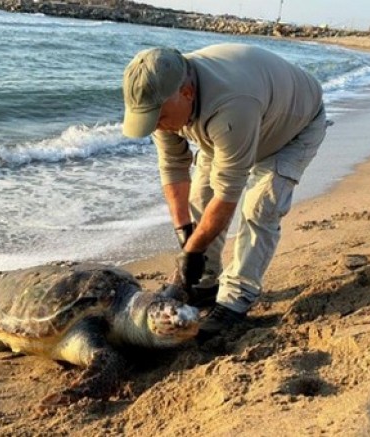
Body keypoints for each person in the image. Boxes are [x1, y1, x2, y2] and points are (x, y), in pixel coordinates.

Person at [121, 43, 327, 340]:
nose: (157, 126)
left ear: (187, 93)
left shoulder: (232, 104)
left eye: (160, 117)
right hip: (231, 130)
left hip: (293, 128)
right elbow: (173, 167)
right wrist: (185, 235)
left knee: (260, 208)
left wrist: (192, 251)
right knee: (199, 202)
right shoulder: (163, 94)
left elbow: (228, 194)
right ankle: (206, 284)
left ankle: (236, 299)